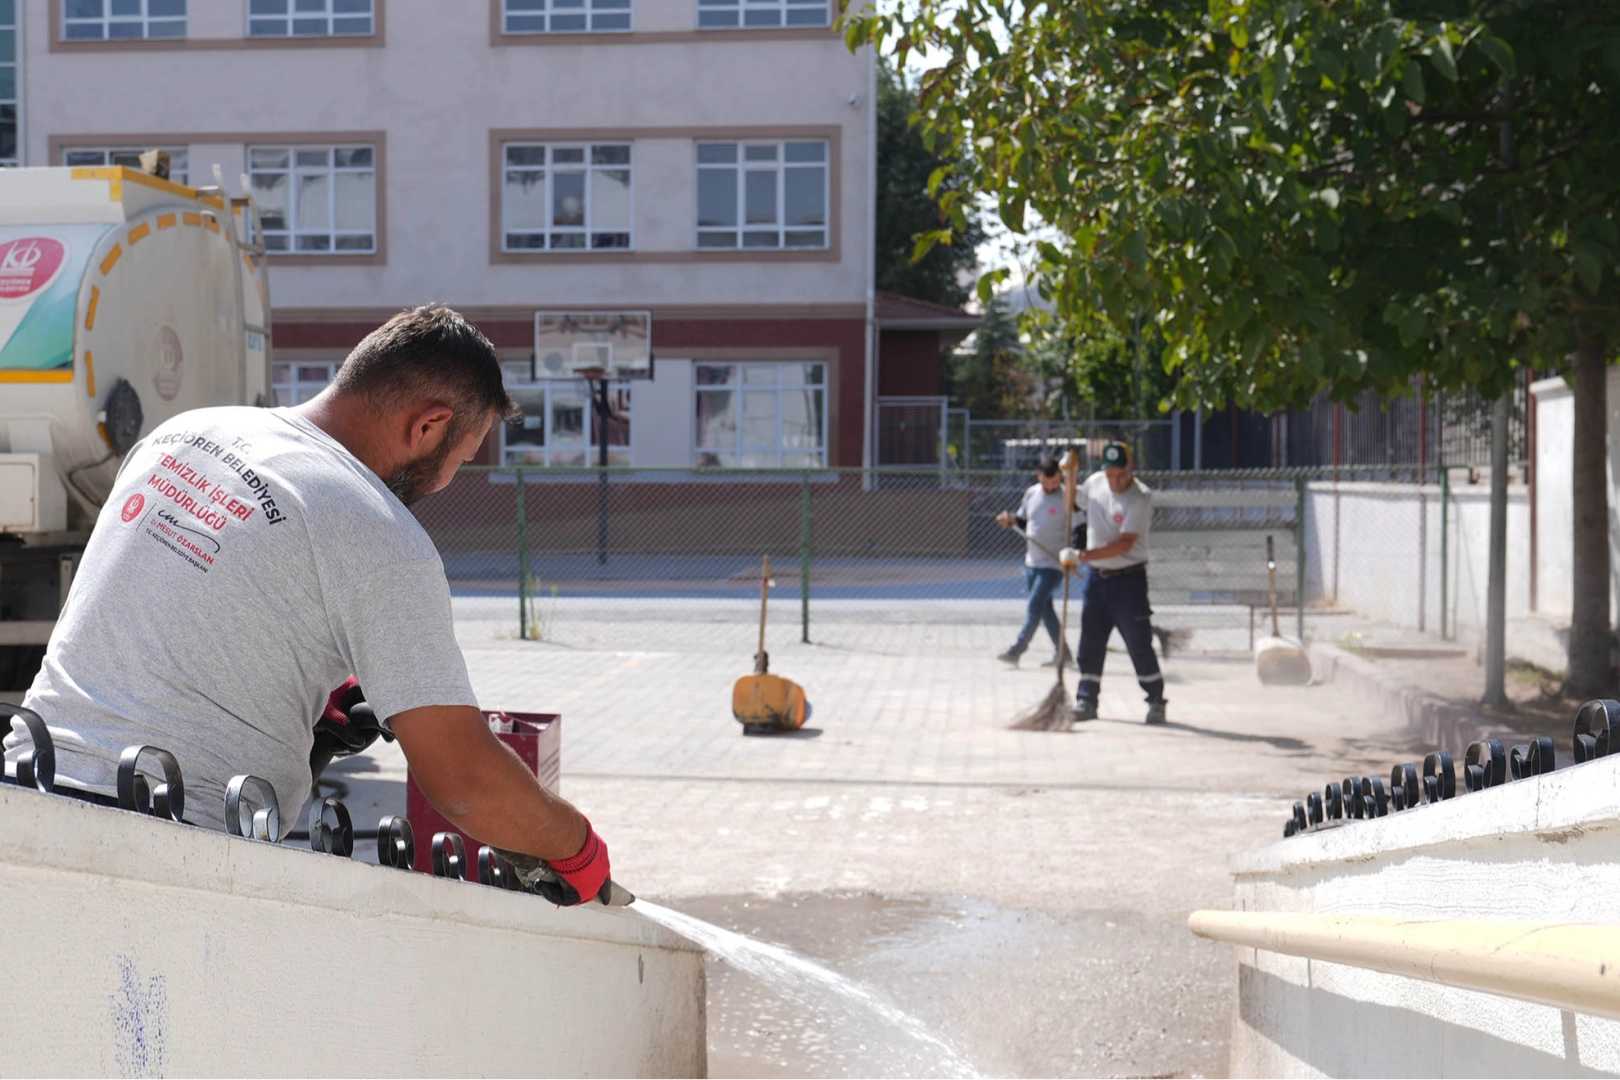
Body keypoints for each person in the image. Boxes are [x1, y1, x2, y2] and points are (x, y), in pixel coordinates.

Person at [10, 305, 614, 905]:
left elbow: (168, 610)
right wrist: (577, 848)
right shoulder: (379, 531)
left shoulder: (181, 433)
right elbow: (463, 781)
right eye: (461, 459)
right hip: (167, 856)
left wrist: (305, 720)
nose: (447, 479)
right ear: (428, 427)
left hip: (24, 794)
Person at [1059, 441, 1166, 725]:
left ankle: (1156, 699)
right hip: (1097, 580)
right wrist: (1069, 476)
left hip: (1128, 580)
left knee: (1138, 641)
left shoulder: (1140, 498)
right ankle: (1087, 698)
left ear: (1131, 468)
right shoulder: (1095, 484)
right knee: (1090, 640)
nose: (1115, 481)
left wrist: (1081, 555)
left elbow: (1123, 544)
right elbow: (1072, 502)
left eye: (1120, 474)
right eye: (1110, 474)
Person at [994, 456, 1083, 667]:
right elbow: (1023, 521)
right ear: (1039, 476)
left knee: (1034, 605)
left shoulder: (1067, 496)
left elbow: (1080, 529)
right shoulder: (1032, 493)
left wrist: (1074, 556)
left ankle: (1017, 650)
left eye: (1054, 483)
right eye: (1046, 482)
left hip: (1053, 565)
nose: (1050, 487)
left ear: (1060, 478)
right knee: (1045, 610)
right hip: (1032, 562)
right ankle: (1064, 654)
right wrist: (1010, 520)